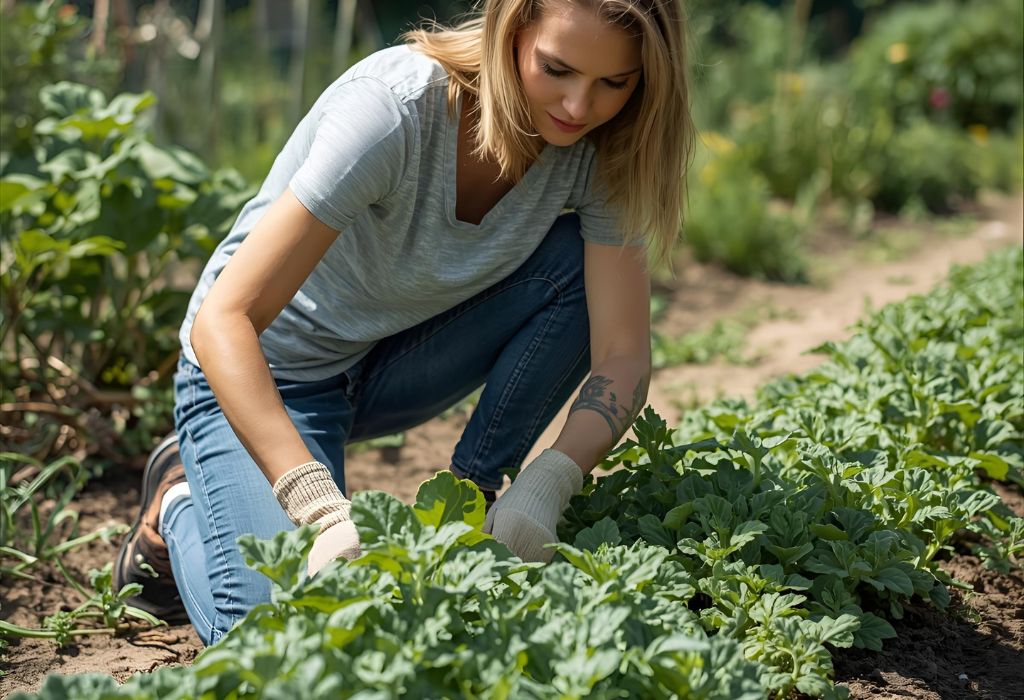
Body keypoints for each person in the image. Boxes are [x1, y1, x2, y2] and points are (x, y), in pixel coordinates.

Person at [114, 0, 693, 647]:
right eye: (556, 69)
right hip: (265, 376)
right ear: (512, 29)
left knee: (571, 268)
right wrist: (316, 505)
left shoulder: (600, 148)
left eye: (614, 82)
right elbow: (224, 319)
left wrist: (552, 479)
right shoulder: (393, 110)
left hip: (395, 361)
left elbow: (623, 353)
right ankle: (180, 504)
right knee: (273, 637)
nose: (579, 107)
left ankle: (474, 504)